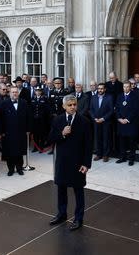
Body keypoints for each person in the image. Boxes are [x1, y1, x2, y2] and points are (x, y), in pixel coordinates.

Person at [48, 94, 92, 231]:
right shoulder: (58, 120)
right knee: (61, 189)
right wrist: (62, 133)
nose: (73, 107)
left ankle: (78, 218)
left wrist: (86, 164)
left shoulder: (84, 121)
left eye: (74, 104)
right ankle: (62, 214)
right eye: (70, 105)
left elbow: (88, 145)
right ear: (64, 106)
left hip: (78, 162)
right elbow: (50, 138)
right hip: (62, 161)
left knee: (78, 191)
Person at [0, 86, 31, 176]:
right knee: (10, 152)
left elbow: (28, 117)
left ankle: (19, 168)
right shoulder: (4, 103)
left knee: (19, 151)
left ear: (18, 93)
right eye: (13, 92)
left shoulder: (24, 103)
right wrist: (2, 132)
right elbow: (1, 119)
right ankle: (10, 169)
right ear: (10, 93)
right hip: (9, 133)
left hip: (21, 132)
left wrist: (28, 129)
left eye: (16, 92)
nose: (14, 94)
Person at [115, 82, 139, 165]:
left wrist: (127, 119)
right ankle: (123, 157)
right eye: (124, 87)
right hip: (121, 122)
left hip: (130, 123)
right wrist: (119, 118)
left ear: (130, 87)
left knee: (131, 142)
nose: (125, 88)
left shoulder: (135, 96)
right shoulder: (119, 96)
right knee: (122, 141)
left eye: (127, 87)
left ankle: (131, 158)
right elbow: (117, 108)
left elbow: (135, 110)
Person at [30, 85, 51, 153]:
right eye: (36, 91)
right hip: (34, 120)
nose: (38, 92)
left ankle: (41, 147)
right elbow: (31, 109)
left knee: (41, 134)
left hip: (42, 120)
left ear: (41, 92)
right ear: (35, 92)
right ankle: (36, 148)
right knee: (35, 134)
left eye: (39, 91)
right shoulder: (33, 98)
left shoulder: (44, 98)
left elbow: (47, 109)